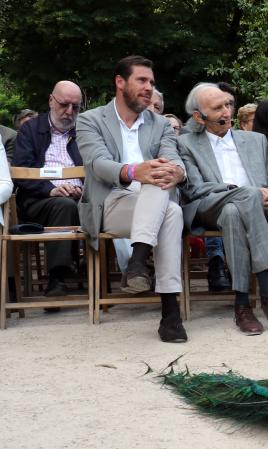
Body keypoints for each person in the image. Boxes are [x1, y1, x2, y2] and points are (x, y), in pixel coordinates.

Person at [76, 55, 187, 341]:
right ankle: (168, 308)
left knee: (170, 207)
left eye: (151, 82)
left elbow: (175, 161)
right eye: (142, 80)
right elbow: (98, 164)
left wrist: (178, 173)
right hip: (110, 203)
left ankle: (139, 264)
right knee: (156, 184)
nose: (149, 87)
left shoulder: (160, 124)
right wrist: (136, 171)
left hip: (155, 202)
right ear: (120, 82)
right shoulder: (91, 120)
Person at [178, 82, 268, 335]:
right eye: (217, 108)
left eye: (228, 105)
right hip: (208, 208)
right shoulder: (186, 143)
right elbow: (196, 189)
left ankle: (241, 305)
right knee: (244, 198)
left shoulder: (256, 140)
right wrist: (252, 194)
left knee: (233, 213)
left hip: (247, 211)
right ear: (199, 116)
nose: (227, 112)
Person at [12, 80, 84, 296]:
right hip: (38, 201)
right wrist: (50, 189)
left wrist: (83, 187)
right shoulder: (30, 130)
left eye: (75, 107)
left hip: (83, 198)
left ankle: (94, 267)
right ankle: (58, 276)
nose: (69, 111)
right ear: (51, 101)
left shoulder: (84, 132)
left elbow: (98, 165)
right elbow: (22, 171)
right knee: (63, 204)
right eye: (64, 104)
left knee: (99, 203)